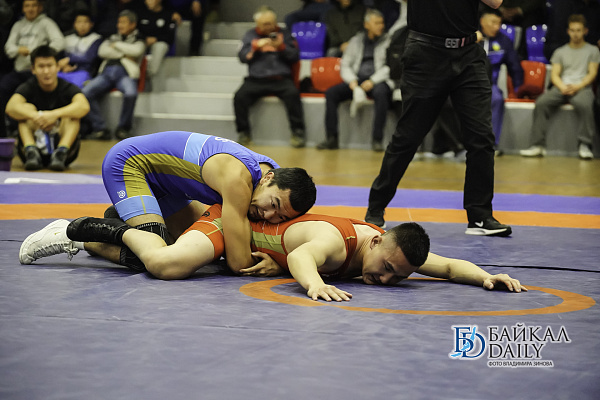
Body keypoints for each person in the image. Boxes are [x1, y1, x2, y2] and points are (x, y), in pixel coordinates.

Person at [20, 204, 526, 302]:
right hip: (231, 227)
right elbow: (304, 259)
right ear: (376, 241)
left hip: (238, 255)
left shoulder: (393, 254)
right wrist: (314, 284)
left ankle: (84, 240)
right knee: (164, 266)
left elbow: (449, 266)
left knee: (136, 259)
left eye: (397, 277)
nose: (388, 279)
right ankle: (80, 226)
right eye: (388, 269)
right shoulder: (340, 244)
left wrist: (486, 276)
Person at [19, 131, 316, 275]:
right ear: (268, 178)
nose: (267, 214)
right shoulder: (239, 180)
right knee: (153, 257)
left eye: (278, 216)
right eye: (273, 204)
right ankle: (75, 235)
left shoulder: (270, 172)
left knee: (188, 244)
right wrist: (283, 266)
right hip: (130, 166)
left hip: (166, 187)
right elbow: (238, 263)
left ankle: (126, 217)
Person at [365, 0, 512, 237]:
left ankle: (480, 216)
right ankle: (375, 208)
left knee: (482, 137)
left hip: (468, 53)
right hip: (426, 53)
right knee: (408, 137)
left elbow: (495, 2)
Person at [520, 14, 600, 160]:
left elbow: (592, 73)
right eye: (572, 30)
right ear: (568, 31)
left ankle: (585, 144)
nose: (575, 34)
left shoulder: (593, 51)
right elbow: (555, 74)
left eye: (579, 30)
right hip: (562, 86)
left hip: (582, 87)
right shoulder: (560, 51)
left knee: (586, 105)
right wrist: (562, 87)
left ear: (585, 31)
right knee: (541, 103)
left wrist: (578, 86)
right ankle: (537, 145)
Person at [317, 9, 394, 152]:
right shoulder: (356, 41)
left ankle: (377, 139)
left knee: (382, 93)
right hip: (357, 80)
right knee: (331, 93)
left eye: (382, 23)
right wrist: (352, 81)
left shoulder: (389, 41)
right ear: (367, 25)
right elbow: (345, 64)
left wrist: (372, 81)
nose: (381, 26)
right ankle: (331, 138)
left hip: (378, 80)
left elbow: (391, 66)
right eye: (377, 23)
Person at [5, 45, 90, 171]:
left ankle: (61, 153)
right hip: (31, 152)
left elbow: (84, 106)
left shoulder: (67, 87)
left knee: (72, 115)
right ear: (33, 69)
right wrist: (38, 116)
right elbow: (10, 107)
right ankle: (31, 151)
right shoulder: (28, 86)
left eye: (49, 66)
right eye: (41, 66)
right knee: (26, 109)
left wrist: (54, 115)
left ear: (57, 67)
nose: (46, 71)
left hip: (63, 149)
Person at [234, 6, 306, 148]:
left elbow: (295, 56)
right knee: (239, 97)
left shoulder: (285, 34)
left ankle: (298, 132)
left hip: (281, 79)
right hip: (256, 79)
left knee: (293, 94)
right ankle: (244, 133)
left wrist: (281, 47)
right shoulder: (250, 35)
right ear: (258, 24)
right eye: (265, 24)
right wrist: (255, 48)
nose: (269, 27)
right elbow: (242, 57)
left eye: (271, 23)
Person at [1, 0, 65, 138]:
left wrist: (40, 54)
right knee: (3, 87)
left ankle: (37, 127)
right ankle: (8, 126)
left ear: (40, 7)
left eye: (34, 5)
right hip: (19, 70)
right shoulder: (18, 25)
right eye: (27, 6)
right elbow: (8, 48)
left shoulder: (47, 23)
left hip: (38, 72)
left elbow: (59, 42)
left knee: (32, 97)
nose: (30, 9)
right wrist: (18, 50)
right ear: (23, 9)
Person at [81, 9, 145, 141]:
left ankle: (123, 129)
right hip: (106, 73)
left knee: (131, 94)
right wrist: (124, 54)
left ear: (133, 24)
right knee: (85, 93)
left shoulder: (139, 39)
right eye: (119, 22)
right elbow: (102, 51)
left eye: (123, 22)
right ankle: (100, 128)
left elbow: (137, 51)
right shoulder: (112, 37)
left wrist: (116, 46)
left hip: (125, 73)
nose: (119, 25)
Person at [479, 8, 523, 151]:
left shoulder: (504, 40)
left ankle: (491, 144)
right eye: (493, 23)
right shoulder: (471, 37)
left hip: (490, 85)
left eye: (499, 23)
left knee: (497, 98)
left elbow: (515, 66)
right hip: (467, 83)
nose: (496, 27)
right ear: (482, 21)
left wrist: (518, 88)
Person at [57, 11, 103, 89]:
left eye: (85, 22)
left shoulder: (96, 39)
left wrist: (69, 59)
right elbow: (60, 57)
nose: (82, 25)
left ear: (91, 24)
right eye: (79, 22)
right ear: (74, 24)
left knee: (73, 89)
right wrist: (64, 66)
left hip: (83, 72)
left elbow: (89, 58)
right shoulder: (67, 39)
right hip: (64, 71)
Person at [138, 0, 177, 85]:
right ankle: (135, 73)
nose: (148, 2)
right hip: (143, 41)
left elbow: (170, 37)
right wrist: (144, 39)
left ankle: (149, 74)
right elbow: (136, 32)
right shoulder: (141, 13)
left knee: (160, 46)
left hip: (160, 42)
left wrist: (156, 39)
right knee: (137, 45)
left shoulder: (168, 15)